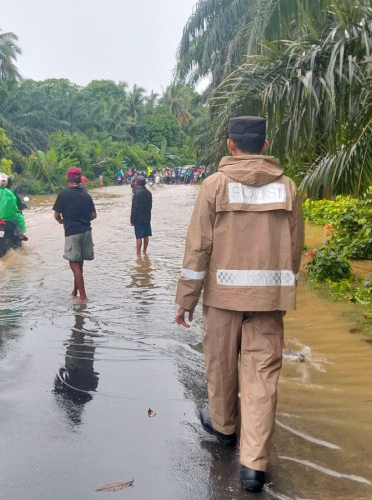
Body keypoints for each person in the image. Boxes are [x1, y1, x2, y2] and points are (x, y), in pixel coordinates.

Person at [174, 116, 304, 493]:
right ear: (265, 146)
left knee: (220, 364)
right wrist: (281, 292)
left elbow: (198, 247)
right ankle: (253, 467)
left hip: (222, 297)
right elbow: (294, 249)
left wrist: (186, 300)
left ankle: (225, 429)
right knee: (262, 378)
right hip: (268, 301)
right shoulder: (289, 189)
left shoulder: (214, 186)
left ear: (230, 145)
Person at [53, 167, 97, 301]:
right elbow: (94, 215)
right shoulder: (86, 195)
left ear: (67, 180)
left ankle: (83, 296)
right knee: (80, 262)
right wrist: (83, 220)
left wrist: (61, 220)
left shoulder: (63, 194)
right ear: (80, 180)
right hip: (86, 231)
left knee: (73, 262)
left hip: (72, 232)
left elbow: (56, 215)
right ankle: (75, 291)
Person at [130, 175, 152, 257]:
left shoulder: (137, 193)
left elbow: (134, 208)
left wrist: (132, 220)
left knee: (139, 236)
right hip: (147, 217)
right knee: (146, 235)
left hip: (138, 218)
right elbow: (150, 206)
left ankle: (138, 254)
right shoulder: (149, 193)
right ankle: (144, 252)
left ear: (138, 183)